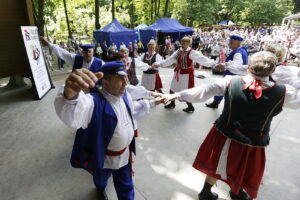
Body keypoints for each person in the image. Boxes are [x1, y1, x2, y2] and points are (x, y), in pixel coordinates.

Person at [163, 51, 300, 200]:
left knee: (216, 162)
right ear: (273, 70)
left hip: (224, 133)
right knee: (243, 166)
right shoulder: (284, 92)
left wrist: (175, 95)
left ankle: (208, 192)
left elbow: (203, 91)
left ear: (248, 67)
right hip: (253, 141)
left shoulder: (230, 81)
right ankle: (235, 193)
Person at [54, 61, 165, 200]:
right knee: (101, 180)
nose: (126, 83)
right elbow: (73, 114)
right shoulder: (93, 102)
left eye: (125, 78)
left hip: (125, 155)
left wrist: (154, 102)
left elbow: (133, 109)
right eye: (120, 79)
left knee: (126, 186)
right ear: (105, 83)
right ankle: (100, 187)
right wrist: (69, 94)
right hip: (105, 160)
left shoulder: (123, 95)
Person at [153, 36, 216, 113]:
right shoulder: (178, 51)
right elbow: (170, 60)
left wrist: (213, 64)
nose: (183, 44)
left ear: (189, 43)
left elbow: (202, 59)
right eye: (182, 42)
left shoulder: (191, 52)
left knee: (186, 91)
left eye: (185, 43)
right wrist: (160, 64)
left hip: (186, 74)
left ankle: (190, 106)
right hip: (178, 73)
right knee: (173, 87)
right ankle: (172, 103)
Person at [206, 35, 249, 108]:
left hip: (232, 75)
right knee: (221, 89)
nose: (229, 43)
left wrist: (225, 66)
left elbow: (236, 64)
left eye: (231, 42)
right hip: (236, 75)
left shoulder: (238, 52)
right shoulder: (242, 50)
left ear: (238, 43)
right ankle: (216, 102)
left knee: (224, 91)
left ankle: (222, 107)